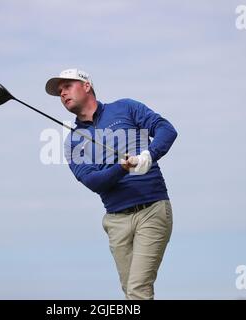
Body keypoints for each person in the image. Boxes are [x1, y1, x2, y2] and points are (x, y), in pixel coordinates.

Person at [45, 68, 178, 300]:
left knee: (137, 291)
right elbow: (93, 181)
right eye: (59, 92)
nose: (62, 94)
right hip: (116, 221)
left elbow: (167, 130)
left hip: (152, 210)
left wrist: (148, 155)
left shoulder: (126, 108)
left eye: (67, 86)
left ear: (86, 86)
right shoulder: (72, 141)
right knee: (131, 292)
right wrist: (122, 168)